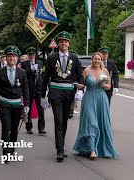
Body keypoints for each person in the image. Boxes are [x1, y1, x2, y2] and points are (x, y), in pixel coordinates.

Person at [41, 31, 84, 161]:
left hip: (68, 93)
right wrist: (43, 96)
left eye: (65, 41)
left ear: (68, 44)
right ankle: (59, 150)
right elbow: (46, 77)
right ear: (58, 44)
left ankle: (61, 147)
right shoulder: (51, 58)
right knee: (58, 120)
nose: (63, 43)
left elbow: (79, 75)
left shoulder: (74, 58)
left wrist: (80, 89)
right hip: (55, 92)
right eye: (61, 41)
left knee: (64, 121)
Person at [72, 52, 119, 159]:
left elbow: (109, 86)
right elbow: (81, 84)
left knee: (101, 124)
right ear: (92, 60)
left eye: (99, 59)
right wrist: (79, 86)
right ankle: (92, 150)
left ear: (101, 60)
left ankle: (100, 148)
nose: (97, 61)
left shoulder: (105, 71)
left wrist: (105, 85)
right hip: (89, 98)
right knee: (91, 123)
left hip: (101, 99)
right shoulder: (86, 71)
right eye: (95, 59)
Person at [0, 45, 29, 163]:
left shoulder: (22, 72)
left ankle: (12, 149)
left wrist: (26, 105)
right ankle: (6, 152)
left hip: (17, 105)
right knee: (5, 128)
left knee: (14, 129)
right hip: (4, 104)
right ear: (6, 58)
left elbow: (25, 90)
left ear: (17, 58)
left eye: (13, 56)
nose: (11, 58)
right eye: (9, 56)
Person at [21, 47, 46, 135]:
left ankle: (41, 127)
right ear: (28, 55)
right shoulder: (24, 64)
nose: (32, 56)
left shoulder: (39, 62)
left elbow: (41, 75)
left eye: (33, 54)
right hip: (29, 89)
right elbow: (23, 74)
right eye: (30, 54)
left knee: (41, 109)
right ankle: (28, 127)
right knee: (29, 108)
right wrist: (30, 70)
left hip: (38, 89)